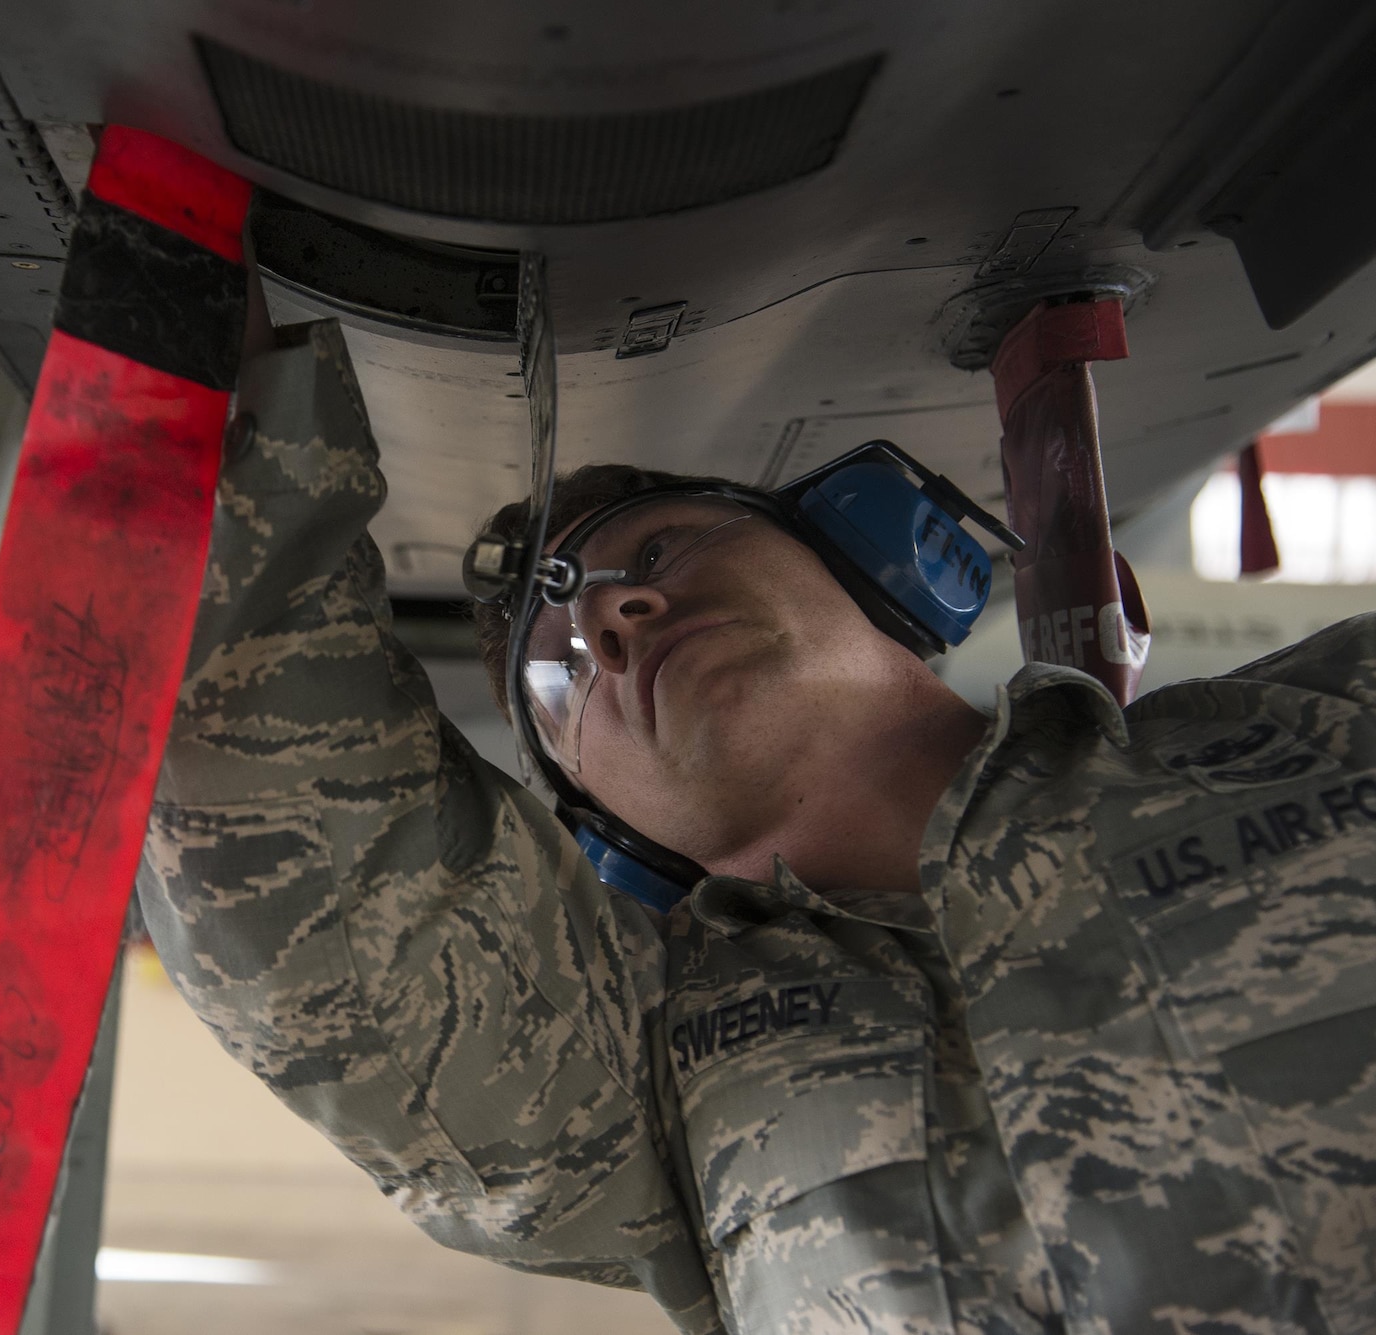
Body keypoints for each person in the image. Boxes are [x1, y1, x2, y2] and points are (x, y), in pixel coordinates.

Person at [138, 259, 1376, 1335]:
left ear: (865, 566)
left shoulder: (1318, 727)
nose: (611, 620)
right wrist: (196, 325)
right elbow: (301, 842)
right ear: (600, 833)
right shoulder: (636, 1091)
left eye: (661, 550)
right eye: (558, 677)